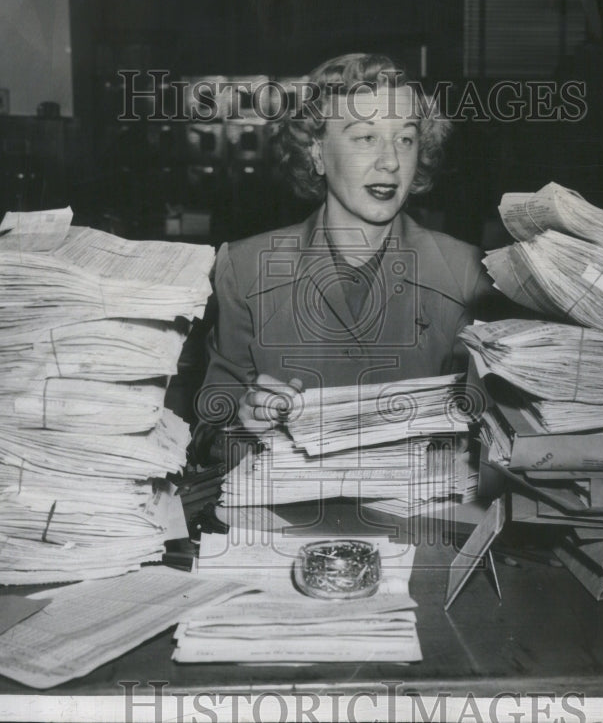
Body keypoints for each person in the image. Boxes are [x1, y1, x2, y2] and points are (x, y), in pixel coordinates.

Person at [191, 53, 504, 464]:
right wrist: (241, 423)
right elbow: (206, 438)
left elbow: (498, 441)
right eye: (365, 138)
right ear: (317, 153)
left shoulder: (468, 275)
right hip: (284, 521)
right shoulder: (245, 269)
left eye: (405, 139)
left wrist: (468, 443)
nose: (390, 161)